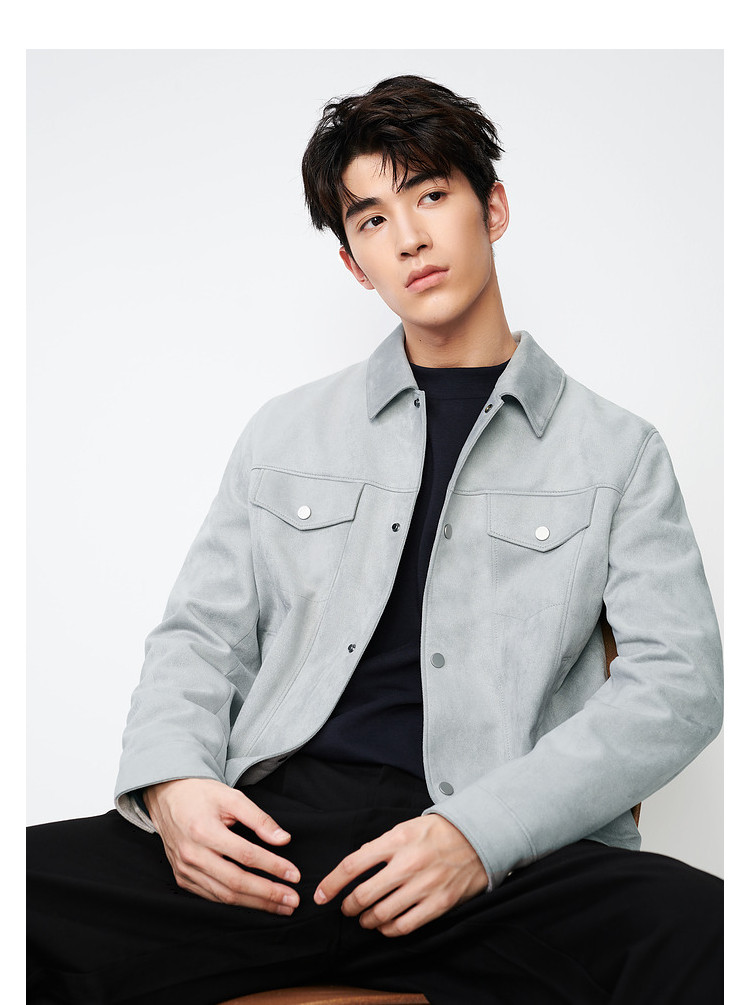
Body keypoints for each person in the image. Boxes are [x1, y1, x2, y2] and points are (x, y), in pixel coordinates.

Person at [27, 74, 723, 1004]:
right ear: (356, 262)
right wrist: (175, 786)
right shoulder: (285, 433)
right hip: (277, 844)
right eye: (371, 219)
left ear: (493, 207)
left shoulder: (618, 452)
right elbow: (199, 637)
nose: (409, 238)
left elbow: (679, 684)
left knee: (711, 935)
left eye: (431, 194)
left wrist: (480, 834)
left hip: (502, 858)